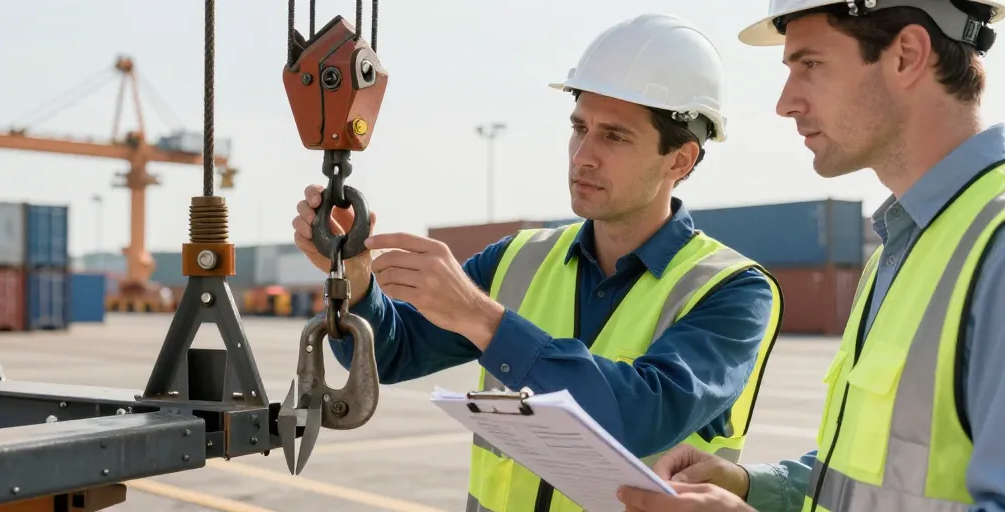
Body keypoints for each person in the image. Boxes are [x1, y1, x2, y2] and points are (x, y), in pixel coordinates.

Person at [293, 13, 785, 512]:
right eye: (580, 128)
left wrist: (482, 318)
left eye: (614, 136)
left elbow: (637, 418)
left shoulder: (732, 290)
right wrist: (355, 282)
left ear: (679, 160)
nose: (582, 156)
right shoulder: (518, 258)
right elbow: (394, 354)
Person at [616, 1, 1005, 511]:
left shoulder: (994, 246)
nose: (785, 103)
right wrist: (751, 486)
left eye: (810, 64)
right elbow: (877, 473)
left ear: (907, 55)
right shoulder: (904, 243)